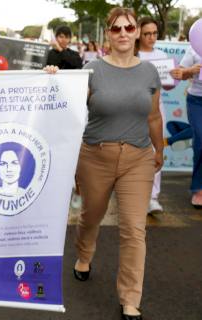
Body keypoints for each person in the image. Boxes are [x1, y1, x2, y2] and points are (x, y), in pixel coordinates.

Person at [71, 8, 163, 320]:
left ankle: (130, 299)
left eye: (129, 27)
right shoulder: (92, 70)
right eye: (116, 28)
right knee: (91, 217)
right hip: (95, 156)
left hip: (137, 158)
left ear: (137, 32)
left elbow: (153, 115)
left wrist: (159, 149)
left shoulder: (149, 72)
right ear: (107, 35)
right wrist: (54, 81)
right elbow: (66, 109)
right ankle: (84, 255)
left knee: (134, 230)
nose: (123, 33)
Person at [136, 17, 178, 214]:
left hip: (156, 109)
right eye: (147, 34)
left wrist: (175, 76)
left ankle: (153, 198)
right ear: (138, 33)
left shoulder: (162, 55)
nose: (151, 37)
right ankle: (135, 195)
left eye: (154, 33)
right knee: (133, 151)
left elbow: (168, 85)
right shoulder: (132, 55)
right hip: (132, 109)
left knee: (156, 150)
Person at [172, 47, 202, 208]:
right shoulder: (194, 48)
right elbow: (180, 74)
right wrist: (191, 70)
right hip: (197, 101)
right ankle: (198, 189)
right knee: (200, 142)